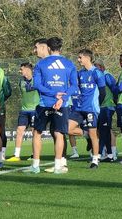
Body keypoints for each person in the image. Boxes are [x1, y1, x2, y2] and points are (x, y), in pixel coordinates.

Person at [26, 37, 78, 174]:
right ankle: (57, 166)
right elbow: (74, 86)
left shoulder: (40, 64)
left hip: (45, 103)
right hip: (62, 104)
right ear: (60, 48)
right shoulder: (69, 64)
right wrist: (63, 97)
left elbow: (37, 85)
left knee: (37, 132)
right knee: (59, 133)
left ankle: (35, 166)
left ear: (48, 48)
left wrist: (54, 94)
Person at [68, 49, 106, 169]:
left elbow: (103, 92)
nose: (78, 60)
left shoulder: (97, 73)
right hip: (79, 108)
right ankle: (85, 133)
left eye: (80, 57)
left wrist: (96, 106)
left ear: (87, 58)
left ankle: (95, 160)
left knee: (93, 134)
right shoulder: (80, 73)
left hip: (91, 109)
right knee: (67, 129)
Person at [6, 62, 39, 162]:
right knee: (19, 130)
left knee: (35, 132)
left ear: (27, 69)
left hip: (35, 110)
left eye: (21, 69)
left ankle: (34, 155)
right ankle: (16, 155)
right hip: (24, 110)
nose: (20, 71)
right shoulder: (21, 81)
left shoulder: (37, 80)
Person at [94, 58, 116, 162]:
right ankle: (110, 155)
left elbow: (114, 88)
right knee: (105, 131)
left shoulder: (106, 75)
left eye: (97, 66)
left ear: (102, 67)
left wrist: (114, 101)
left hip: (107, 106)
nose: (95, 68)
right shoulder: (97, 76)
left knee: (103, 131)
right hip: (101, 107)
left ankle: (98, 155)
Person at [0, 65, 12, 168]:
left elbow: (7, 92)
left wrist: (1, 101)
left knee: (0, 131)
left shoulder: (1, 73)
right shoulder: (1, 72)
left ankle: (0, 156)